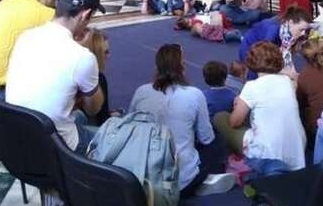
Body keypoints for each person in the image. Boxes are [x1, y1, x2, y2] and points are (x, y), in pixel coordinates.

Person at [6, 0, 106, 154]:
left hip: (16, 141)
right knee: (114, 141)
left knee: (78, 117)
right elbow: (93, 109)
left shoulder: (25, 37)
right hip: (57, 150)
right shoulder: (82, 57)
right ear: (85, 14)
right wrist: (91, 61)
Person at [129, 44, 235, 197]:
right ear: (182, 66)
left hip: (143, 174)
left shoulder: (142, 91)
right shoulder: (194, 94)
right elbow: (206, 138)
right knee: (218, 141)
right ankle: (201, 181)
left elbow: (132, 126)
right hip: (179, 180)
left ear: (157, 67)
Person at [213, 41, 307, 177]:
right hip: (297, 150)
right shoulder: (288, 82)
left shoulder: (252, 86)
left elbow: (234, 122)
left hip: (268, 152)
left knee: (220, 117)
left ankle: (240, 162)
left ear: (251, 62)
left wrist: (238, 105)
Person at [79, 28, 113, 125]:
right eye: (106, 52)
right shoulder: (98, 79)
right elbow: (102, 120)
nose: (109, 56)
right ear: (96, 53)